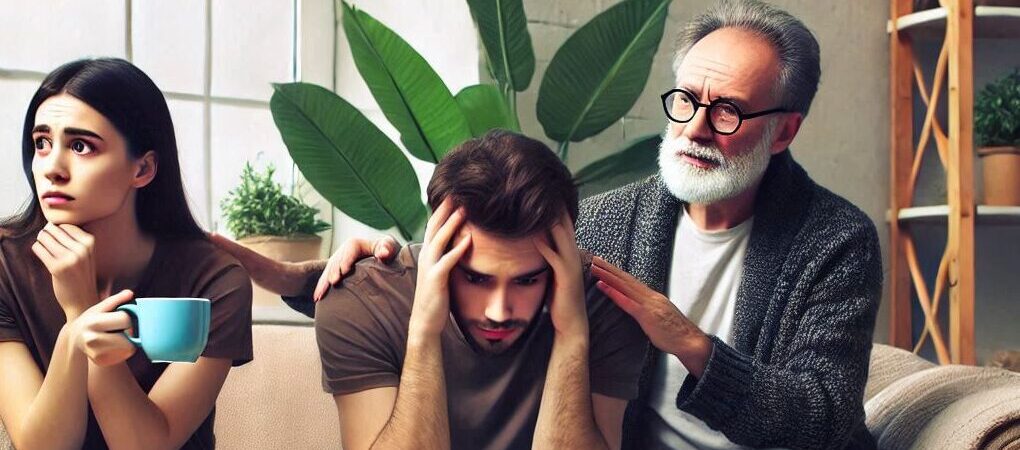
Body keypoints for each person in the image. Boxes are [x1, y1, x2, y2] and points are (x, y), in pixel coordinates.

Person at [274, 1, 884, 448]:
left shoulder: (834, 241)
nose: (696, 127)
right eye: (686, 100)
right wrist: (345, 268)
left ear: (785, 130)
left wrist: (689, 344)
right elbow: (498, 261)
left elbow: (824, 417)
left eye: (727, 110)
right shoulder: (611, 219)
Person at [213, 130, 646, 450]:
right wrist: (423, 328)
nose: (499, 310)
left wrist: (572, 335)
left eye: (527, 279)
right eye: (475, 277)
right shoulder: (360, 300)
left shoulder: (605, 304)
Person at [0, 58, 253, 450]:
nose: (52, 168)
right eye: (42, 143)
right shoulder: (5, 268)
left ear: (143, 169)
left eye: (81, 146)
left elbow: (147, 445)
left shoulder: (215, 281)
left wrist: (84, 308)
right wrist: (75, 332)